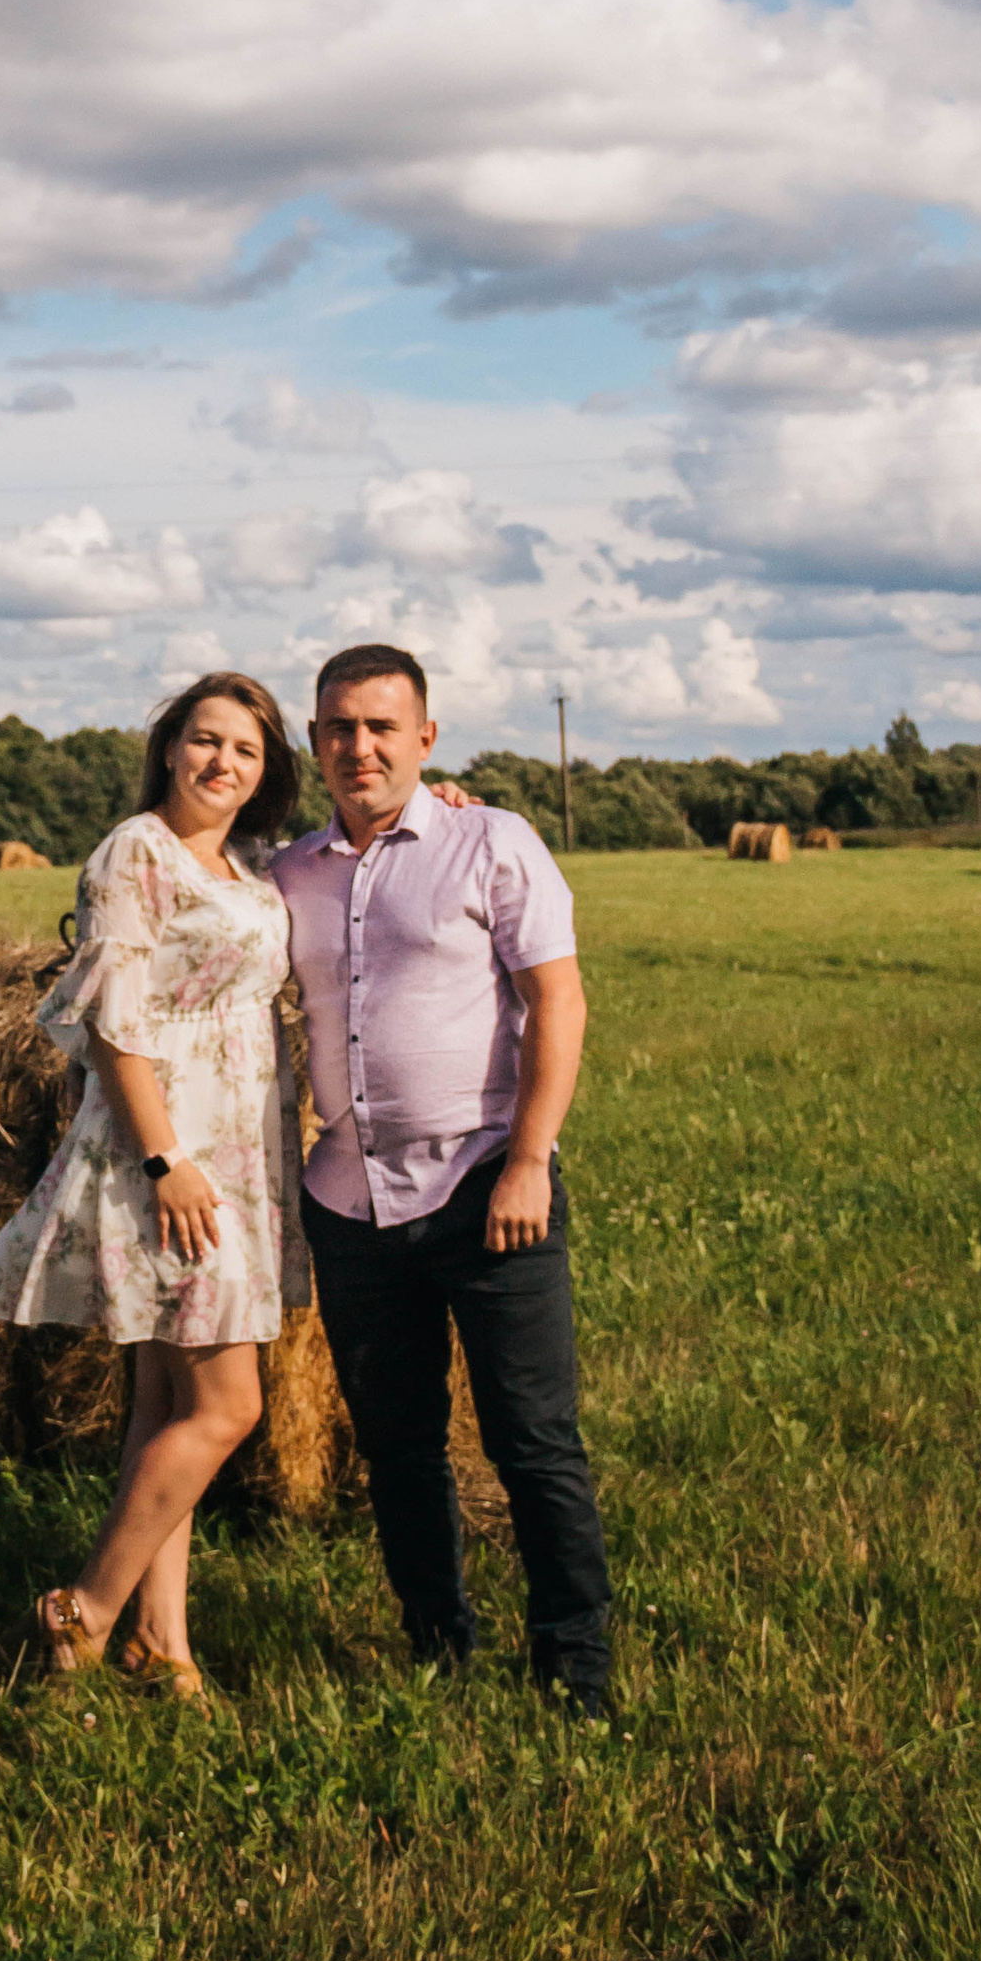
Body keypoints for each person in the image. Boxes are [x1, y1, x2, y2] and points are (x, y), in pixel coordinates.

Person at [275, 644, 613, 1716]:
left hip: (487, 1186)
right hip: (349, 1200)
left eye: (382, 727)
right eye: (339, 727)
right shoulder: (289, 872)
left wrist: (529, 1161)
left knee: (533, 1442)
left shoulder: (491, 841)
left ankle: (575, 1670)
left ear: (425, 737)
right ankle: (437, 1646)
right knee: (397, 1448)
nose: (359, 746)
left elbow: (557, 1001)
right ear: (313, 741)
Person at [0, 669, 305, 1704]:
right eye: (205, 739)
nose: (220, 762)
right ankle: (84, 1610)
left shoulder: (249, 863)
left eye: (244, 750)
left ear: (264, 772)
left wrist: (450, 805)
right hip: (173, 1154)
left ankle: (164, 1641)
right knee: (228, 1406)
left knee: (168, 1403)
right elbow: (114, 1021)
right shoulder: (134, 852)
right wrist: (165, 1163)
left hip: (242, 1149)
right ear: (168, 747)